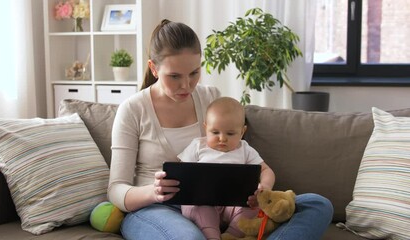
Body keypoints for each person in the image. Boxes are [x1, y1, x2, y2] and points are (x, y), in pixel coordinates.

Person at [108, 19, 334, 240]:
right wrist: (153, 193)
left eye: (194, 73)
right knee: (190, 237)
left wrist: (258, 190)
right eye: (174, 76)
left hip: (222, 207)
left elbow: (240, 154)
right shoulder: (132, 110)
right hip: (157, 210)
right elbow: (116, 189)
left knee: (316, 204)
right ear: (154, 69)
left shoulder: (210, 97)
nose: (186, 85)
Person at [178, 96, 275, 240]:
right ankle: (212, 236)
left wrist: (265, 187)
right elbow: (181, 171)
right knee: (201, 209)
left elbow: (267, 170)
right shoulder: (198, 145)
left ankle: (231, 235)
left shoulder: (245, 149)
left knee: (253, 208)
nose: (222, 138)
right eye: (215, 132)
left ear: (242, 132)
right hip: (202, 203)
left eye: (230, 133)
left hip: (235, 204)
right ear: (206, 128)